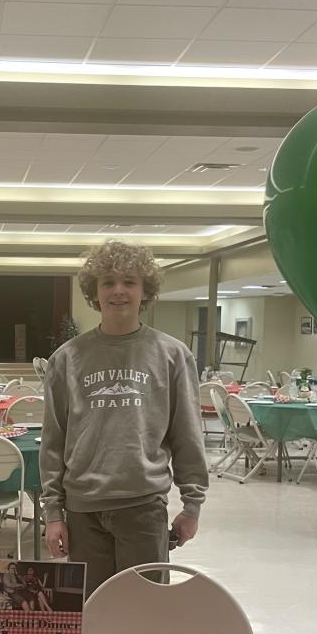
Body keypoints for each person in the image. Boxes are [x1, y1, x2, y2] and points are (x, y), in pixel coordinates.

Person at [40, 240, 208, 594]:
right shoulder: (66, 359)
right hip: (83, 510)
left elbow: (187, 435)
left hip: (143, 507)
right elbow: (54, 442)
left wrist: (192, 505)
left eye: (129, 282)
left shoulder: (173, 355)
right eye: (108, 282)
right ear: (94, 291)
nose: (118, 290)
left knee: (143, 612)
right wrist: (53, 513)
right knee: (91, 611)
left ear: (145, 290)